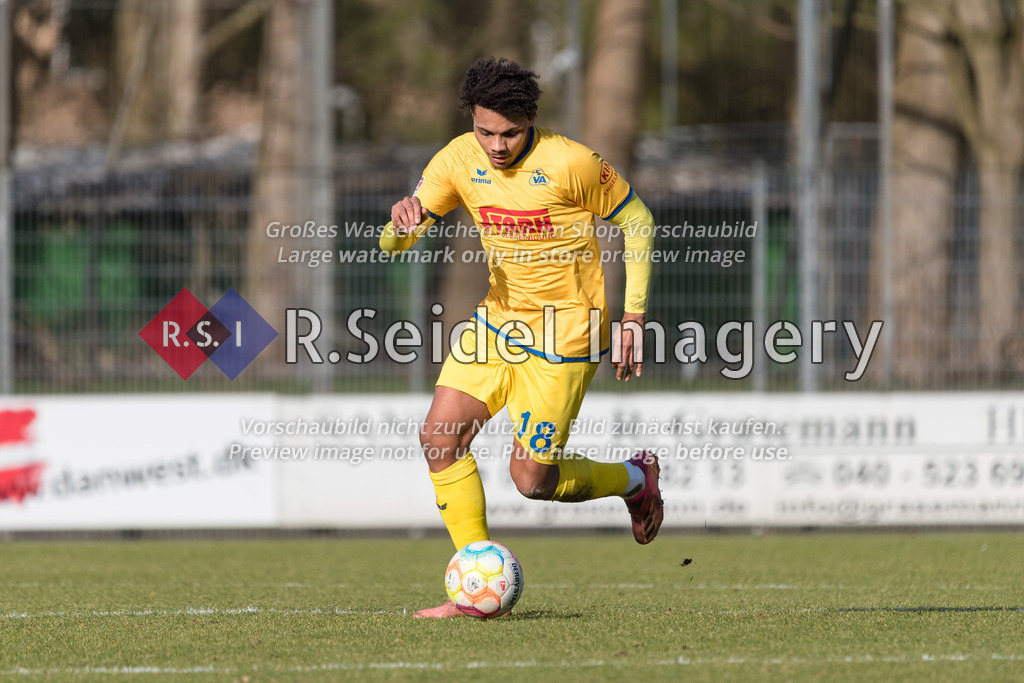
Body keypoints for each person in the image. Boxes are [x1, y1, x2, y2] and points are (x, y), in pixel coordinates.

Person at [380, 57, 663, 618]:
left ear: (530, 120)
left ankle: (636, 478)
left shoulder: (570, 162)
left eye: (509, 132)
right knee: (440, 438)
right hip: (499, 322)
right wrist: (400, 228)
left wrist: (633, 317)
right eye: (486, 131)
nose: (497, 145)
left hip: (568, 333)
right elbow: (392, 246)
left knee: (531, 480)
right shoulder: (457, 159)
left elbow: (638, 222)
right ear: (472, 120)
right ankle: (475, 592)